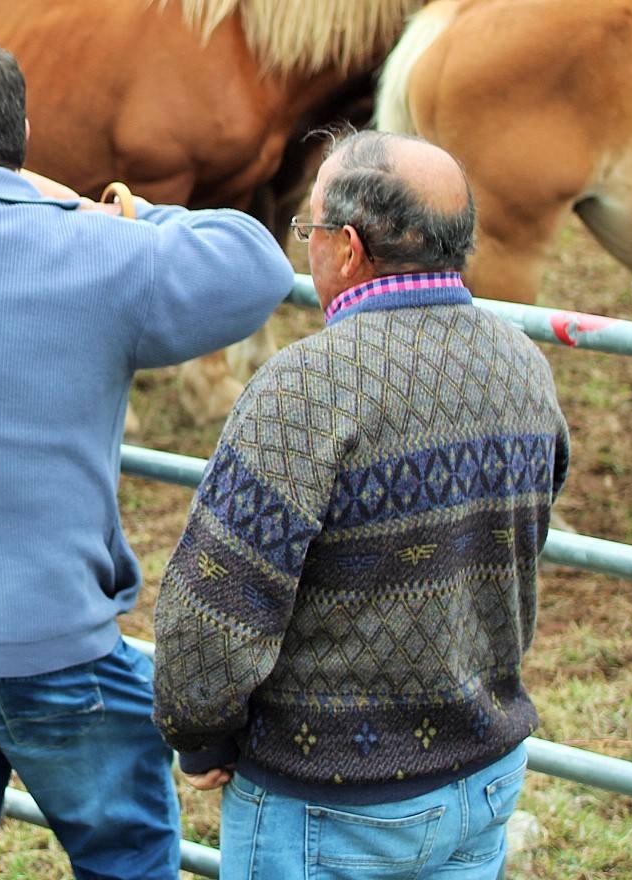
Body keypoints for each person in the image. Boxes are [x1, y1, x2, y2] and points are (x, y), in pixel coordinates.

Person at [0, 31, 296, 880]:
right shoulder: (102, 254)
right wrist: (126, 212)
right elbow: (255, 264)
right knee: (128, 860)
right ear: (25, 138)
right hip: (44, 646)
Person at [151, 130, 571, 879]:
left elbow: (214, 604)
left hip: (328, 801)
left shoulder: (306, 386)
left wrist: (200, 735)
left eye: (308, 231)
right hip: (483, 773)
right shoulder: (522, 364)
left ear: (348, 248)